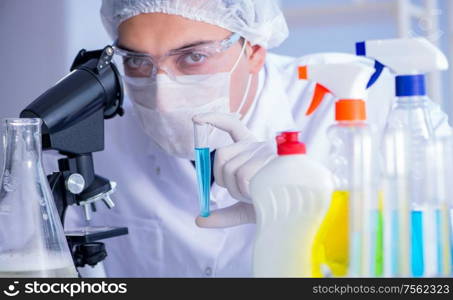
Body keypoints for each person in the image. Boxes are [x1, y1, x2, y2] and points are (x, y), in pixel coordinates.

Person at [62, 0, 450, 277]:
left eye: (193, 57)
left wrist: (306, 208)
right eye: (138, 61)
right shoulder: (93, 135)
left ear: (255, 50)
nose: (161, 95)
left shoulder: (354, 103)